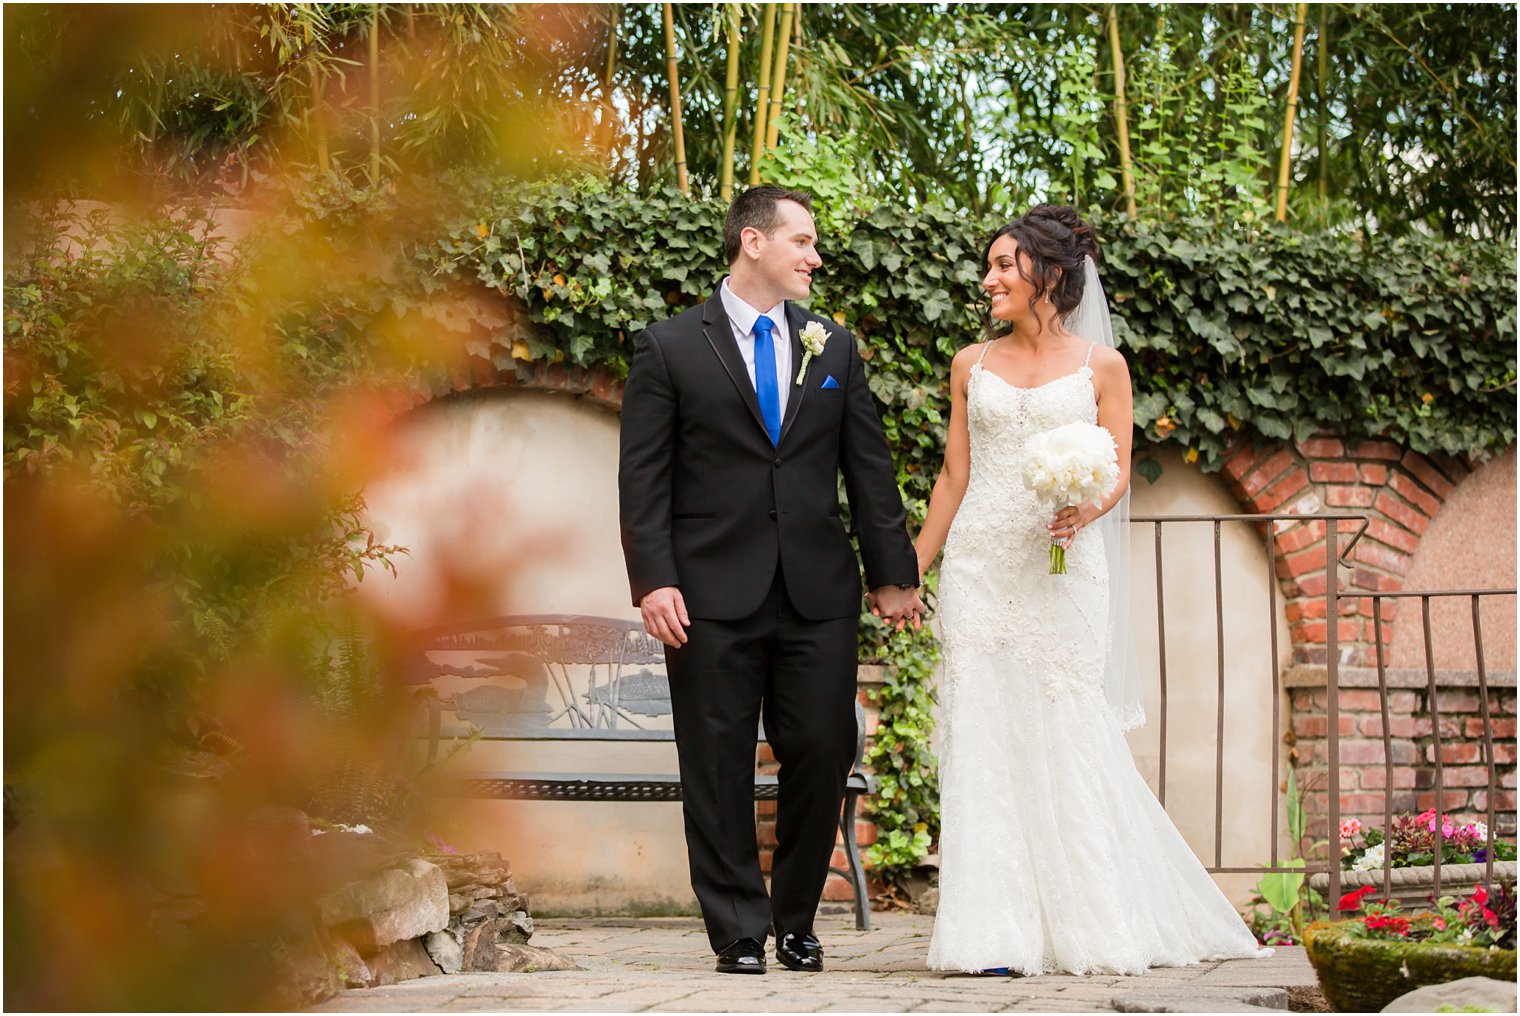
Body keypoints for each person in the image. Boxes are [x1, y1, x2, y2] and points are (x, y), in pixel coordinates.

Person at [914, 205, 1270, 975]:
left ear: (1049, 273)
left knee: (1067, 725)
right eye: (991, 266)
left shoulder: (1102, 366)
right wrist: (913, 566)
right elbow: (954, 473)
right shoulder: (970, 363)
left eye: (1005, 265)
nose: (990, 279)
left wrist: (1087, 505)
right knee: (982, 732)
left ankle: (1092, 921)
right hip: (981, 563)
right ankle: (992, 935)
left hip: (1066, 567)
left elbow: (1115, 469)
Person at [618, 185, 924, 975]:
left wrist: (894, 575)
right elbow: (644, 477)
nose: (815, 257)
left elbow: (871, 470)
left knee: (822, 748)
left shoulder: (836, 346)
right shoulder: (670, 347)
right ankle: (739, 931)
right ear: (753, 242)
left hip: (817, 590)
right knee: (715, 758)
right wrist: (654, 580)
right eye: (803, 241)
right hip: (708, 594)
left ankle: (796, 919)